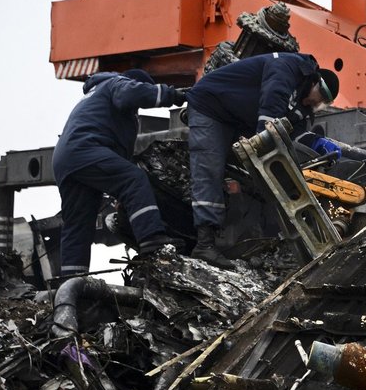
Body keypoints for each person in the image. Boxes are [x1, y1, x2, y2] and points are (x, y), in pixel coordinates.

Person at [184, 52, 341, 268]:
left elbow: (292, 135)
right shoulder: (287, 67)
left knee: (255, 182)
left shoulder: (302, 107)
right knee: (209, 170)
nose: (318, 102)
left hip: (236, 119)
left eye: (324, 102)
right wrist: (264, 141)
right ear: (314, 80)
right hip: (210, 108)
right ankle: (204, 245)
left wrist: (314, 142)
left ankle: (251, 243)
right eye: (320, 94)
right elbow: (272, 102)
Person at [52, 69, 186, 279]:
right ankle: (152, 239)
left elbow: (118, 155)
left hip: (66, 158)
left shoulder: (96, 98)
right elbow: (131, 94)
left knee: (78, 223)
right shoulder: (117, 83)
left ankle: (71, 282)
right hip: (86, 150)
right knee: (134, 179)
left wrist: (121, 196)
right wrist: (173, 95)